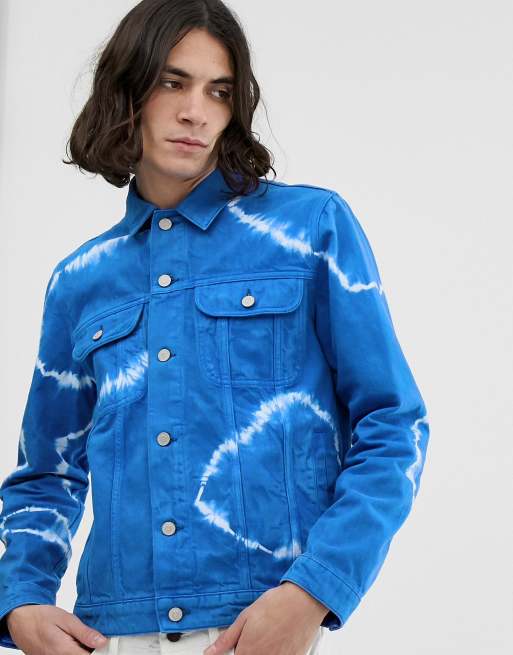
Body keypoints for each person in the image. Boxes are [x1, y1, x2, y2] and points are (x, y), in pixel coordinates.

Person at [0, 0, 430, 653]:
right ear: (127, 91)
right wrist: (20, 599)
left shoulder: (310, 229)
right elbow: (47, 471)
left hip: (258, 626)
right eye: (172, 83)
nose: (195, 111)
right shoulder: (80, 279)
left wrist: (313, 591)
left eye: (219, 91)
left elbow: (394, 425)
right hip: (111, 633)